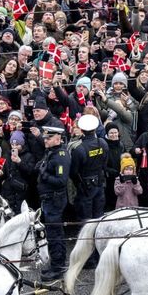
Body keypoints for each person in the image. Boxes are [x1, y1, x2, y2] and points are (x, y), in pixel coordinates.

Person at [37, 123, 69, 283]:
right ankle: (58, 263)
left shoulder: (60, 156)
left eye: (49, 138)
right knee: (53, 233)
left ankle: (58, 267)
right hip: (49, 199)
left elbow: (61, 181)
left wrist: (45, 176)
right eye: (45, 137)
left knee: (55, 234)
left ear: (58, 138)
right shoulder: (52, 152)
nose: (46, 140)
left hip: (54, 200)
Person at [70, 114, 110, 221]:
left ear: (81, 130)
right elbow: (105, 162)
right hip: (100, 182)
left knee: (85, 218)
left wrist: (78, 183)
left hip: (85, 186)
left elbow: (73, 172)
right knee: (99, 215)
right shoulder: (103, 143)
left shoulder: (79, 149)